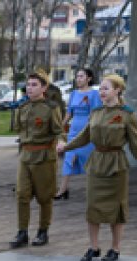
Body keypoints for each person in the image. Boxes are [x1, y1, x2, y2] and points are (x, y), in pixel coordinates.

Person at [58, 74, 137, 261]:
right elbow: (85, 136)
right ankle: (94, 247)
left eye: (106, 88)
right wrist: (66, 146)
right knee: (93, 207)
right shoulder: (96, 112)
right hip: (97, 162)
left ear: (117, 90)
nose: (102, 92)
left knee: (116, 209)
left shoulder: (127, 114)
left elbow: (136, 143)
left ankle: (115, 248)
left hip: (116, 164)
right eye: (101, 89)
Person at [10, 69, 63, 248]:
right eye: (28, 85)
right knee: (21, 195)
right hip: (25, 156)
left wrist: (61, 143)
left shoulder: (51, 108)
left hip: (44, 157)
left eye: (34, 85)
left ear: (44, 88)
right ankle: (22, 232)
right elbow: (19, 129)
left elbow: (58, 130)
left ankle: (43, 231)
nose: (30, 88)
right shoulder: (22, 107)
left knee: (44, 197)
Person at [56, 67, 100, 200]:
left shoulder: (94, 94)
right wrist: (60, 126)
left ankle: (93, 190)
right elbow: (69, 112)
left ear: (89, 78)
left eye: (81, 76)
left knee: (87, 160)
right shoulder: (74, 93)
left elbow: (96, 114)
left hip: (87, 132)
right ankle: (63, 190)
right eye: (77, 76)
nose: (78, 79)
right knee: (68, 159)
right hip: (73, 132)